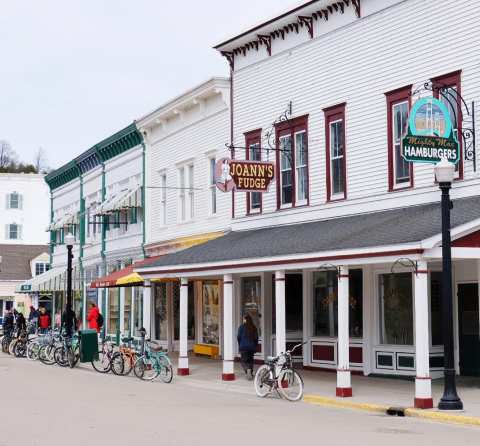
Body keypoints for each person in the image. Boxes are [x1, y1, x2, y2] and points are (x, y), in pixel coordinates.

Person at [237, 314, 259, 380]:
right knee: (250, 360)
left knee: (243, 360)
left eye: (243, 319)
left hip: (243, 347)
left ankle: (247, 370)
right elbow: (256, 338)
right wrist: (255, 345)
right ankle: (250, 371)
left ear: (245, 320)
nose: (243, 320)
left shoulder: (241, 327)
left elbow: (238, 337)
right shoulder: (254, 327)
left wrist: (240, 344)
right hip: (251, 347)